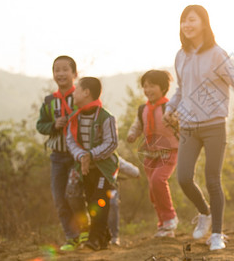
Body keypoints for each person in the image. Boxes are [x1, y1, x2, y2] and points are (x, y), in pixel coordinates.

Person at [163, 5, 234, 251]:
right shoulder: (180, 55)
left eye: (191, 20)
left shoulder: (218, 54)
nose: (187, 25)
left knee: (212, 180)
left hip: (214, 126)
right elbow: (181, 88)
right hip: (188, 126)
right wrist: (170, 107)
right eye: (183, 21)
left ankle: (217, 234)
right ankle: (204, 212)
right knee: (184, 178)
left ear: (204, 23)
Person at [36, 55, 88, 251]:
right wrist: (53, 125)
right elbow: (40, 125)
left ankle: (85, 233)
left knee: (76, 194)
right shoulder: (50, 101)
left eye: (65, 69)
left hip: (78, 155)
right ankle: (71, 237)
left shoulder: (83, 96)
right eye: (56, 70)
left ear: (75, 73)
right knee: (60, 197)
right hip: (57, 156)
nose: (61, 73)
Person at [66, 77, 120, 251]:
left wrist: (91, 155)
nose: (73, 93)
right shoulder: (74, 118)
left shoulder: (106, 117)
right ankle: (103, 236)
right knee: (90, 201)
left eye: (76, 90)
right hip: (85, 168)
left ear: (86, 92)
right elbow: (70, 141)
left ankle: (94, 239)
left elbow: (111, 143)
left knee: (100, 200)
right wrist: (82, 156)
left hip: (103, 169)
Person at [127, 70, 180, 238]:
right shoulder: (143, 108)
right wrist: (133, 134)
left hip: (168, 151)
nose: (148, 90)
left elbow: (180, 123)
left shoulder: (168, 107)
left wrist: (173, 120)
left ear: (163, 88)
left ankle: (170, 217)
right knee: (153, 188)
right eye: (145, 86)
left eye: (152, 86)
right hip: (150, 153)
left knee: (158, 180)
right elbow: (138, 125)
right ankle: (163, 225)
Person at [108, 157, 140, 246]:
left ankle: (114, 236)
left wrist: (136, 173)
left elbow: (125, 166)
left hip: (111, 189)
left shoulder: (113, 157)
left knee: (113, 204)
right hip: (96, 190)